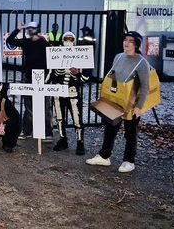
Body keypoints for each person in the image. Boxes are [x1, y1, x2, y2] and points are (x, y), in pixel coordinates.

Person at [86, 31, 150, 173]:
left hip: (131, 103)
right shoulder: (118, 57)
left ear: (137, 44)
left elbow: (146, 86)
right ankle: (104, 156)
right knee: (110, 129)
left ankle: (129, 161)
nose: (126, 43)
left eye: (130, 41)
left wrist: (140, 107)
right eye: (125, 40)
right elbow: (113, 76)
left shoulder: (142, 62)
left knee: (130, 133)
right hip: (116, 100)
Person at [5, 21, 53, 139]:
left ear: (37, 29)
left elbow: (51, 61)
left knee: (45, 106)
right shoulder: (26, 42)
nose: (30, 30)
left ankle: (48, 133)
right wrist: (18, 29)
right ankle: (27, 131)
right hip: (28, 77)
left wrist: (48, 77)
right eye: (29, 28)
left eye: (32, 28)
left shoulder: (44, 44)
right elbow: (9, 41)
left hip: (42, 78)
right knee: (28, 106)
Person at [49, 32, 89, 155]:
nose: (68, 41)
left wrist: (77, 75)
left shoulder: (80, 55)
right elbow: (51, 73)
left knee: (77, 119)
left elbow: (86, 78)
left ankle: (80, 143)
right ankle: (63, 140)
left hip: (73, 93)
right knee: (60, 119)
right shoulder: (56, 54)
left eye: (71, 39)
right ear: (62, 40)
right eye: (66, 39)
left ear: (74, 40)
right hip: (58, 92)